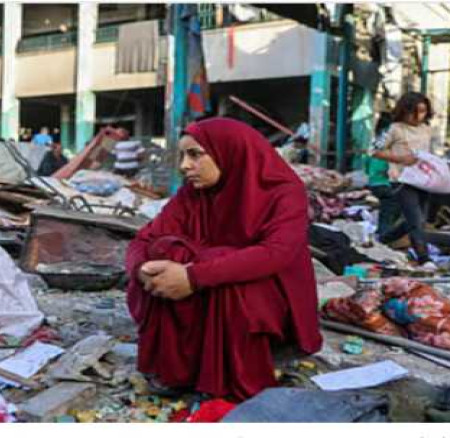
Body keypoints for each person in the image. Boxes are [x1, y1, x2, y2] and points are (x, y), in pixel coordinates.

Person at [125, 118, 322, 402]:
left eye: (195, 154)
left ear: (229, 151)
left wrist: (193, 277)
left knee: (221, 264)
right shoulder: (193, 194)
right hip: (209, 287)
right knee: (164, 251)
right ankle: (178, 370)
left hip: (267, 297)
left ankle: (234, 379)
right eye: (183, 155)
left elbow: (276, 253)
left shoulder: (283, 192)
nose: (184, 165)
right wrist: (142, 270)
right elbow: (143, 240)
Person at [370, 92, 436, 269]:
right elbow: (374, 150)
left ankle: (382, 239)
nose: (418, 116)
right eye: (414, 112)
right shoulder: (394, 129)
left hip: (423, 179)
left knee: (417, 220)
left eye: (422, 111)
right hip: (402, 180)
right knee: (415, 220)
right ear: (404, 111)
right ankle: (424, 258)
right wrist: (400, 159)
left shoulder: (427, 129)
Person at [365, 114, 402, 242]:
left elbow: (366, 162)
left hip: (373, 183)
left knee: (386, 209)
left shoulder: (375, 141)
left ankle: (381, 232)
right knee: (393, 207)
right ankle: (386, 237)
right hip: (384, 182)